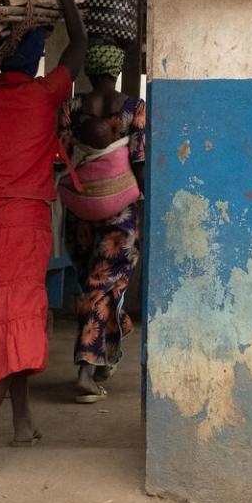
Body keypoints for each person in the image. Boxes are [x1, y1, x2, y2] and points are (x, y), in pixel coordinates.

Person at [0, 0, 86, 492]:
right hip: (20, 225)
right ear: (34, 61)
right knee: (14, 319)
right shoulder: (45, 94)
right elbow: (79, 44)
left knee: (3, 315)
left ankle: (22, 422)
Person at [64, 45, 145, 403]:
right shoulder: (134, 108)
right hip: (120, 211)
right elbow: (139, 158)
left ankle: (104, 355)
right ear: (117, 69)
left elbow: (62, 153)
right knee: (104, 287)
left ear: (89, 69)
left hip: (80, 207)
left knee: (92, 285)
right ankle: (86, 368)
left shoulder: (71, 107)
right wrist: (143, 199)